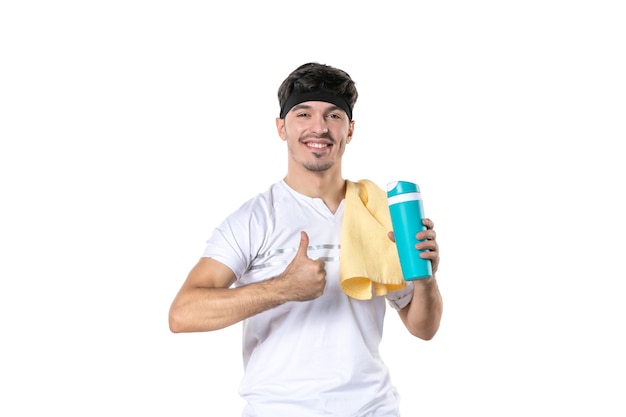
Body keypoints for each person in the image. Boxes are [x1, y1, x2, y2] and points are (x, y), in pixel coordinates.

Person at [168, 62, 443, 416]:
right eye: (303, 114)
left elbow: (423, 328)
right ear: (281, 127)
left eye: (333, 116)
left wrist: (426, 279)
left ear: (350, 129)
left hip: (372, 408)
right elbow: (183, 314)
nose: (319, 128)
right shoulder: (254, 219)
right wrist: (283, 288)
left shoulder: (379, 214)